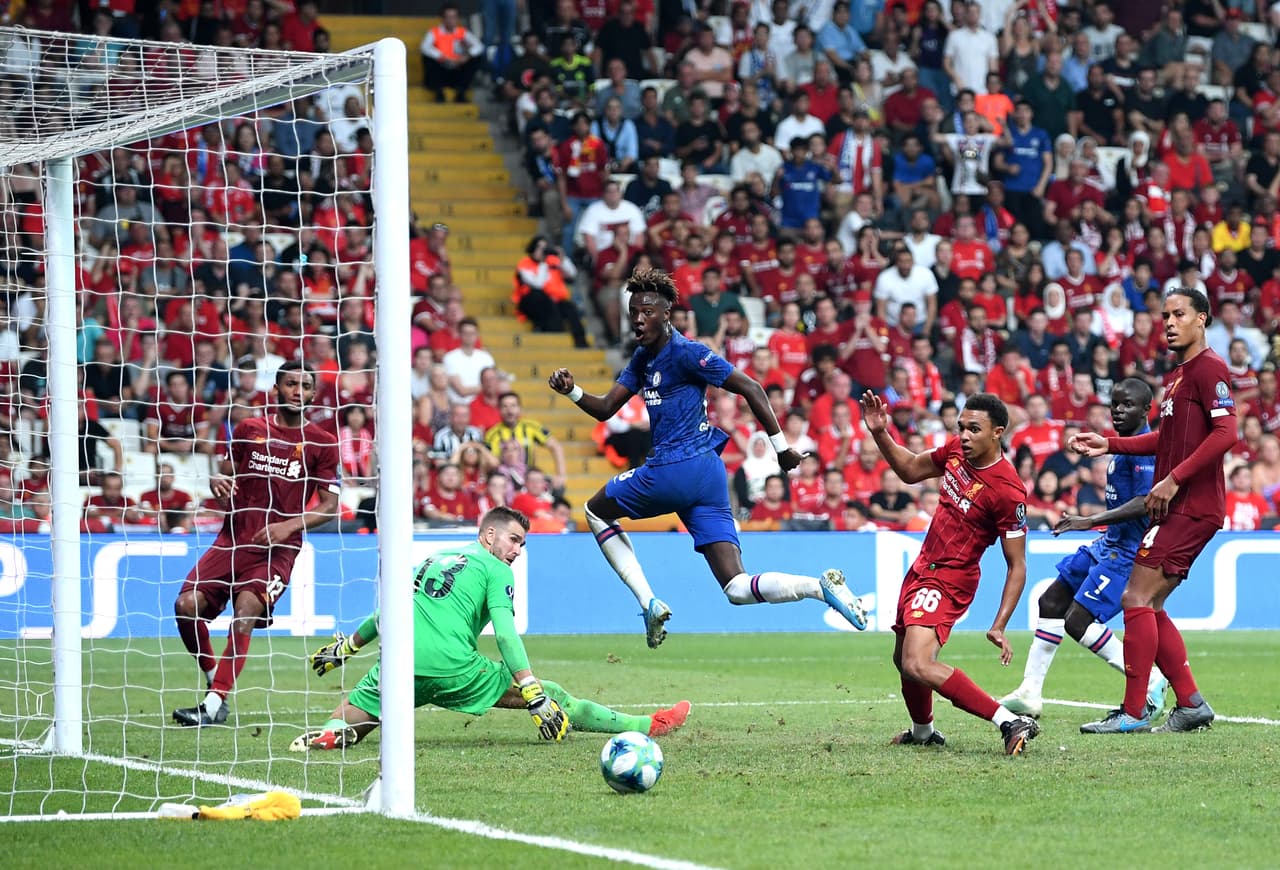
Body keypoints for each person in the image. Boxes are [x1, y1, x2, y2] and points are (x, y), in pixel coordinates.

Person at [547, 268, 868, 648]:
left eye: (646, 312)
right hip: (708, 476)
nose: (637, 319)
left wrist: (781, 449)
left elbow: (750, 386)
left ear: (666, 315)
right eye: (633, 311)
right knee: (736, 587)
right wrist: (573, 391)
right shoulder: (641, 359)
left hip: (674, 469)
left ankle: (648, 603)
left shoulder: (689, 352)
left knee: (596, 512)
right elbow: (604, 409)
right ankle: (820, 588)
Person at [295, 507, 690, 750]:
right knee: (552, 695)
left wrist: (348, 646)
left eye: (522, 545)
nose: (518, 551)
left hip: (399, 664)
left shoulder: (436, 557)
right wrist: (532, 691)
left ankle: (327, 736)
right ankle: (651, 724)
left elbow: (389, 611)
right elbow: (504, 633)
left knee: (348, 721)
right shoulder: (495, 568)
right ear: (489, 535)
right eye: (514, 540)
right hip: (454, 668)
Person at [1074, 288, 1236, 734]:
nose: (1168, 322)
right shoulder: (1179, 377)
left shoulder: (1210, 369)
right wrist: (1109, 443)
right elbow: (1167, 438)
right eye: (1164, 315)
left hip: (1193, 504)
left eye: (1179, 314)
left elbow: (1226, 433)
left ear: (1202, 319)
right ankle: (1191, 704)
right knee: (1152, 603)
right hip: (1178, 506)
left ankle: (1133, 711)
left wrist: (1174, 478)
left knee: (1135, 597)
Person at [859, 389, 1040, 755]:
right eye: (962, 427)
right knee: (903, 661)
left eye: (975, 428)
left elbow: (1018, 564)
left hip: (951, 578)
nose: (965, 435)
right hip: (922, 568)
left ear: (998, 432)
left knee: (917, 662)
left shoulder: (1008, 492)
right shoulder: (956, 451)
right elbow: (910, 469)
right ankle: (923, 732)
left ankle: (1008, 720)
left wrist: (999, 623)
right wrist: (880, 432)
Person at [172, 362, 341, 727]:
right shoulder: (249, 429)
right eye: (291, 383)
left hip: (279, 549)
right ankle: (213, 675)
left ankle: (214, 704)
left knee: (245, 611)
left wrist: (287, 527)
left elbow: (330, 506)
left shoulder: (323, 444)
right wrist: (218, 479)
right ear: (277, 388)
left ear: (313, 394)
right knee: (186, 606)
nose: (298, 390)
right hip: (234, 538)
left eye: (306, 385)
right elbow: (227, 470)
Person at [999, 379, 1168, 719]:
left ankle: (1151, 679)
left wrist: (1089, 520)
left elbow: (1145, 501)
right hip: (1108, 543)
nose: (1118, 410)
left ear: (1146, 409)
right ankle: (1030, 692)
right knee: (1051, 600)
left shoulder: (1146, 450)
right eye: (1115, 404)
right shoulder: (1121, 445)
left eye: (1128, 405)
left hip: (1128, 552)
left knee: (1077, 621)